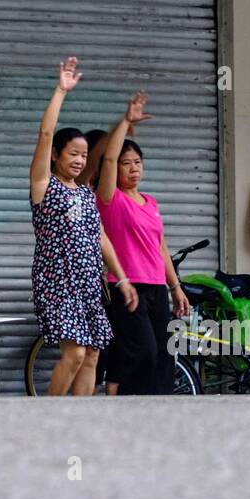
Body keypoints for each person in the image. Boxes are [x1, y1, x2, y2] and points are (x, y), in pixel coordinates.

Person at [30, 57, 136, 396]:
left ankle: (79, 423)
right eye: (72, 153)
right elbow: (46, 133)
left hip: (89, 282)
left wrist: (121, 278)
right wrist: (61, 91)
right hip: (57, 281)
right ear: (57, 155)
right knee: (74, 353)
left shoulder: (86, 194)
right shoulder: (44, 185)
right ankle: (50, 417)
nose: (78, 160)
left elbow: (100, 237)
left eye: (83, 155)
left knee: (92, 355)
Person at [95, 90, 190, 395]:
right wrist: (126, 120)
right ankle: (127, 406)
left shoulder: (150, 201)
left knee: (163, 356)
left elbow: (160, 246)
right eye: (126, 164)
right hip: (127, 286)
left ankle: (156, 413)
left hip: (156, 287)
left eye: (137, 162)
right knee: (143, 351)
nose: (133, 168)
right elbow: (108, 156)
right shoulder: (110, 200)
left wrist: (176, 287)